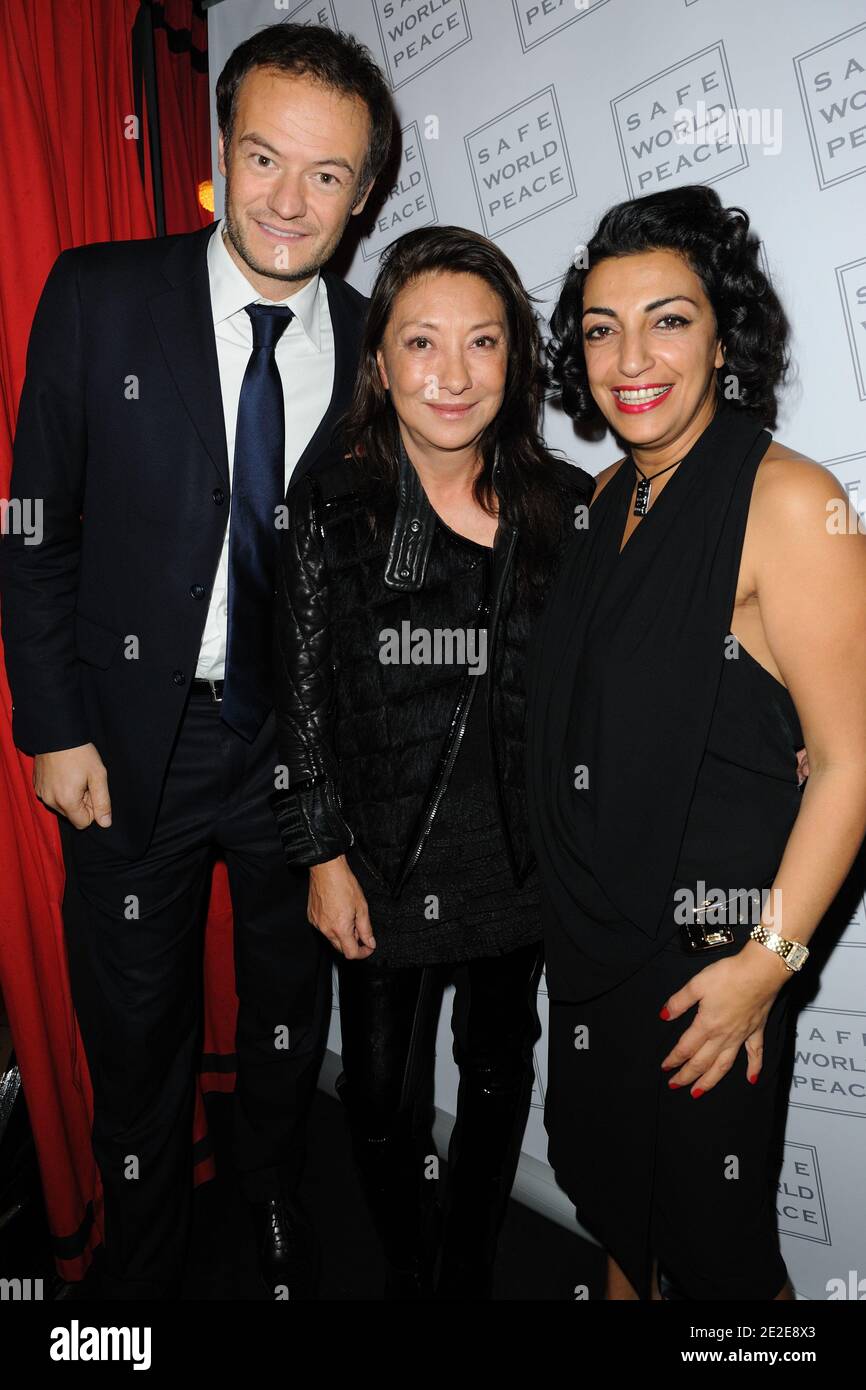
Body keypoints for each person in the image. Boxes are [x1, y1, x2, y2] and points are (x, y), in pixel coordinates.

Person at [0, 24, 394, 1299]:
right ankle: (143, 1265)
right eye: (263, 158)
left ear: (365, 189)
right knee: (135, 1032)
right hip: (126, 751)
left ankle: (273, 1206)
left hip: (293, 761)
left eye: (326, 175)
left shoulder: (382, 340)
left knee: (287, 1016)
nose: (289, 200)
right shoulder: (98, 291)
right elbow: (33, 522)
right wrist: (53, 726)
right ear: (217, 157)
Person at [526, 184, 866, 1301]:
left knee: (717, 1257)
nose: (631, 355)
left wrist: (761, 971)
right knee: (632, 1222)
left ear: (722, 335)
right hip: (594, 958)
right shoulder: (603, 498)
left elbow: (851, 762)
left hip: (707, 971)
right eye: (600, 326)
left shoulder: (786, 501)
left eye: (667, 318)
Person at [272, 224, 594, 1299]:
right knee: (376, 1099)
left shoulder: (566, 507)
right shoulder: (331, 504)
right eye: (420, 343)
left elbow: (619, 678)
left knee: (500, 1068)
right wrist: (320, 853)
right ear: (380, 360)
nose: (452, 376)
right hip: (382, 862)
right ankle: (408, 1263)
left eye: (482, 343)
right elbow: (299, 696)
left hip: (517, 856)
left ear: (518, 358)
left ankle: (461, 1270)